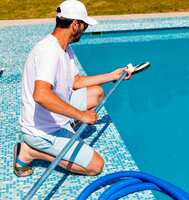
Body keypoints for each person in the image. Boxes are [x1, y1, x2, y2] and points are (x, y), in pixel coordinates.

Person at [14, 0, 132, 177]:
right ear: (75, 25)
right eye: (84, 25)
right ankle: (30, 151)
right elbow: (41, 95)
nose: (85, 29)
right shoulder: (49, 52)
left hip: (51, 114)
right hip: (42, 131)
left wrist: (112, 75)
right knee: (95, 166)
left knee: (96, 92)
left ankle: (65, 128)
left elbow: (75, 81)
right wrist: (81, 115)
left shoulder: (63, 48)